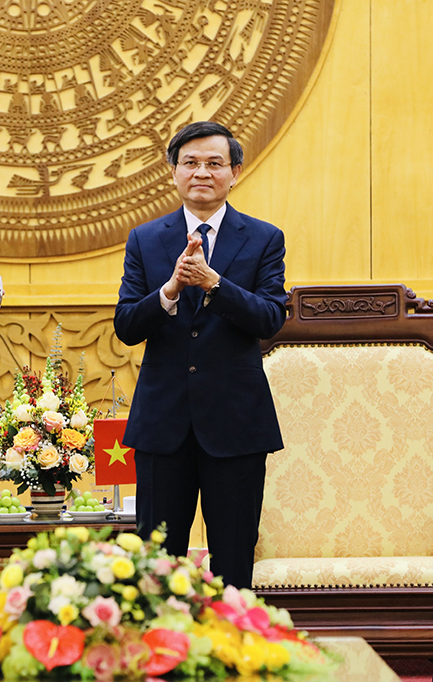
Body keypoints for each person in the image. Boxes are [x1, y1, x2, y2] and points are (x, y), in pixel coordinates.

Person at [114, 121, 287, 590]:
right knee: (155, 565)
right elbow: (126, 326)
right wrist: (169, 289)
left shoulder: (264, 238)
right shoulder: (146, 239)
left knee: (233, 563)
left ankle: (234, 655)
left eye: (214, 163)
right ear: (172, 171)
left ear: (235, 172)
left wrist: (214, 282)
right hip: (162, 423)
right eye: (190, 163)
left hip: (236, 423)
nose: (202, 173)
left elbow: (271, 318)